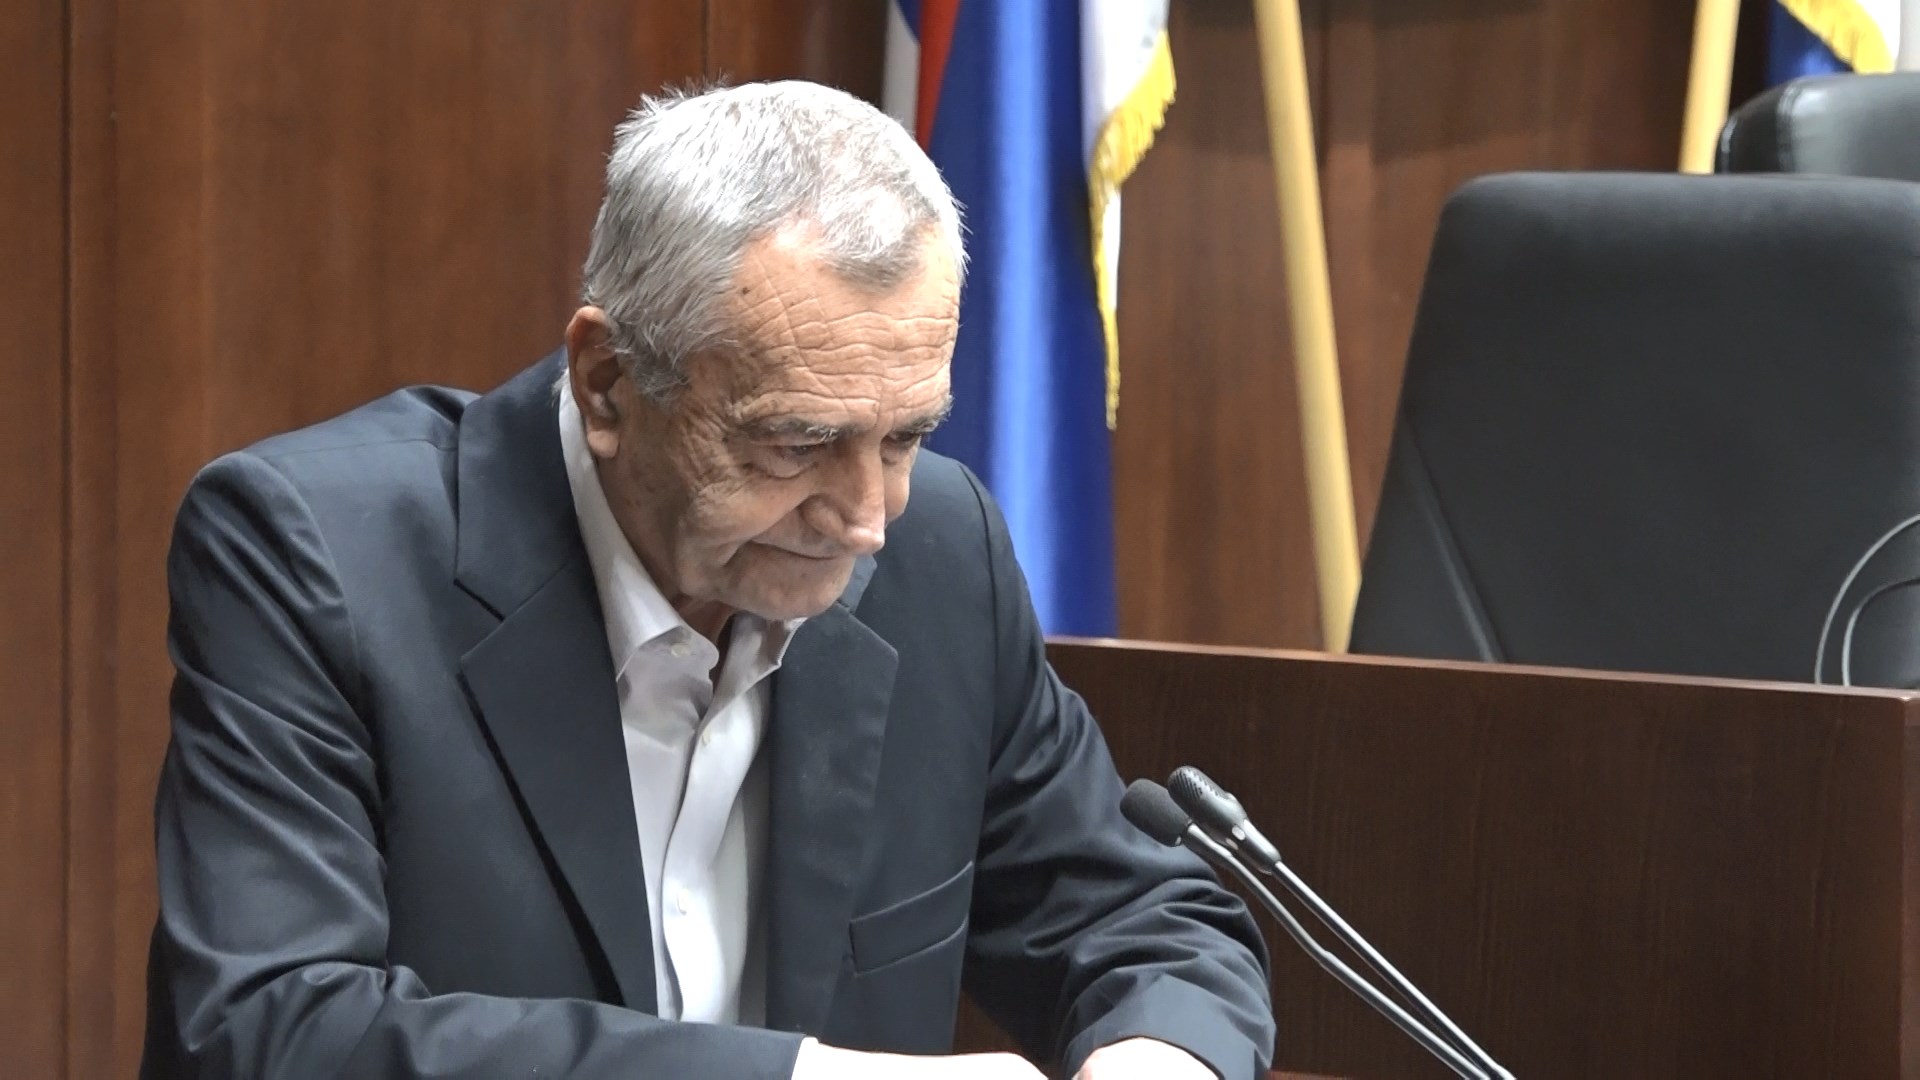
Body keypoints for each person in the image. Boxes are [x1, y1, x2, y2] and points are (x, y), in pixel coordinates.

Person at [141, 80, 1274, 1079]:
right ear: (607, 385)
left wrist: (1156, 1057)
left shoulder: (941, 556)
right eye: (796, 443)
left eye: (904, 437)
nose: (865, 519)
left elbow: (1146, 924)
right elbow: (268, 1032)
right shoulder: (316, 558)